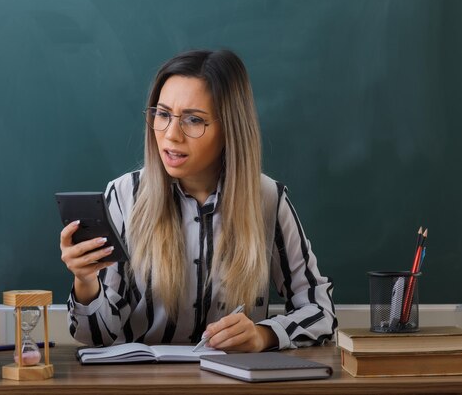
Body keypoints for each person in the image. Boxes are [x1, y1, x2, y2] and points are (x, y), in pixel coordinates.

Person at [60, 49, 336, 352]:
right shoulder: (124, 196)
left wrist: (263, 335)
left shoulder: (267, 200)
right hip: (141, 384)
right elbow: (96, 337)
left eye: (193, 120)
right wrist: (85, 282)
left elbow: (320, 310)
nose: (171, 135)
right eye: (163, 115)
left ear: (230, 128)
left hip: (233, 383)